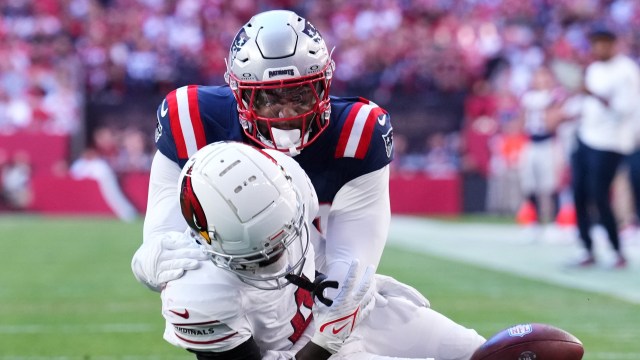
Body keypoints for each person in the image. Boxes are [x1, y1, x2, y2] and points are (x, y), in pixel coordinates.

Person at [131, 10, 394, 296]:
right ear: (239, 93)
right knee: (195, 295)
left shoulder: (358, 133)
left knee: (351, 294)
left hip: (313, 268)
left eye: (299, 95)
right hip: (226, 273)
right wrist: (151, 261)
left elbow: (348, 266)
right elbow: (163, 242)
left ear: (324, 84)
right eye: (267, 98)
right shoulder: (192, 119)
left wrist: (346, 297)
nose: (285, 113)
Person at [161, 141, 486, 360]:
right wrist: (325, 341)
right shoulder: (196, 291)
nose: (278, 256)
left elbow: (314, 259)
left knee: (482, 351)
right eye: (261, 253)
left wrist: (344, 286)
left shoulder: (290, 181)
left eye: (282, 237)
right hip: (309, 352)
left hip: (345, 318)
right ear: (210, 239)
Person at [569, 25, 640, 268]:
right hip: (586, 136)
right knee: (578, 192)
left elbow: (625, 109)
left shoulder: (626, 70)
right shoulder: (594, 69)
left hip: (611, 142)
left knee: (599, 195)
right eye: (594, 43)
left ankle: (616, 250)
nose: (598, 48)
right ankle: (586, 247)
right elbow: (586, 105)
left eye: (602, 42)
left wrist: (593, 94)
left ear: (612, 44)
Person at [517, 66, 568, 238]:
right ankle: (534, 222)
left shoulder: (556, 95)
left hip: (549, 141)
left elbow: (554, 120)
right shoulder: (528, 97)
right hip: (531, 141)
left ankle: (555, 222)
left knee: (551, 184)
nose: (541, 80)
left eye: (545, 76)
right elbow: (522, 119)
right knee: (529, 183)